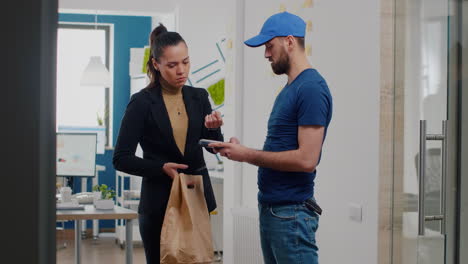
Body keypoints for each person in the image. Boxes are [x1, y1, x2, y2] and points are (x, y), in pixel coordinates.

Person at [210, 12, 332, 264]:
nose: (266, 54)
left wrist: (247, 155)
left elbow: (307, 159)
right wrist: (241, 150)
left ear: (289, 41)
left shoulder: (310, 88)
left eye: (269, 46)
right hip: (275, 210)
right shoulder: (291, 88)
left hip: (292, 214)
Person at [113, 23, 223, 263]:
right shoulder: (141, 103)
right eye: (172, 65)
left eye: (185, 62)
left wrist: (215, 131)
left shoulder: (200, 96)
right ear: (156, 64)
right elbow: (121, 158)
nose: (181, 70)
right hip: (159, 202)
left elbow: (213, 146)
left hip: (196, 197)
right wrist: (160, 168)